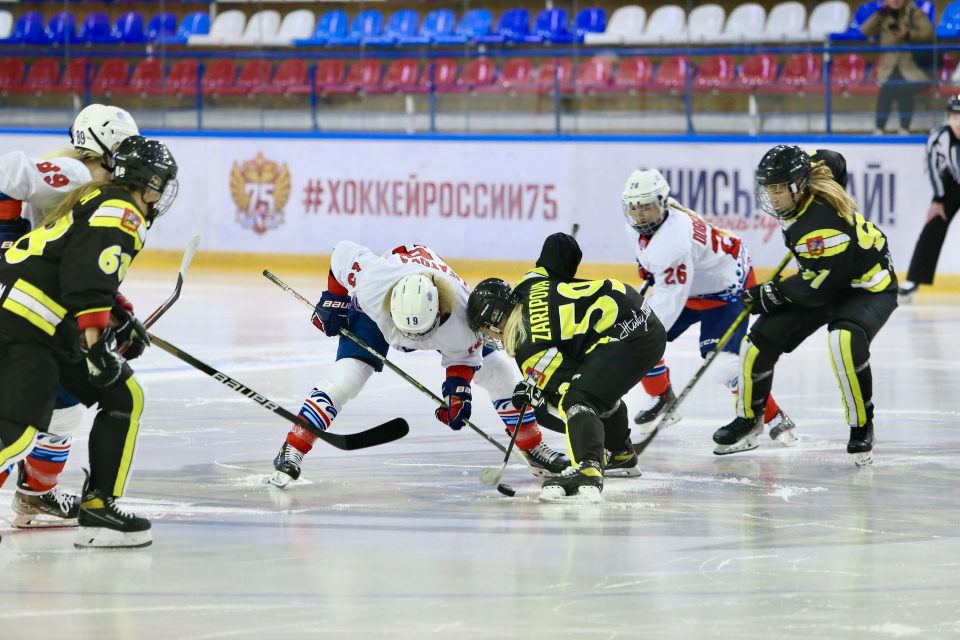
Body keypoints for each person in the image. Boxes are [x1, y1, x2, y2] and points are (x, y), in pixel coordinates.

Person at [269, 241, 570, 488]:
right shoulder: (375, 281)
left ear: (441, 309)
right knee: (346, 377)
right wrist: (333, 299)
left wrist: (457, 392)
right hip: (379, 316)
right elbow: (341, 254)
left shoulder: (462, 320)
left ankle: (532, 448)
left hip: (427, 316)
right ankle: (292, 447)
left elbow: (462, 359)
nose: (408, 340)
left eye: (419, 335)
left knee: (501, 373)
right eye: (406, 333)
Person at [0, 135, 179, 548]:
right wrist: (98, 346)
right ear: (148, 182)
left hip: (43, 324)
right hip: (23, 323)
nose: (159, 194)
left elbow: (72, 266)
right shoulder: (121, 209)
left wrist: (117, 317)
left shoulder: (100, 197)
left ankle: (99, 509)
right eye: (159, 184)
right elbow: (85, 282)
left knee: (123, 394)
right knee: (19, 430)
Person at [712, 145, 897, 467]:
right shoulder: (808, 177)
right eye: (768, 190)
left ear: (798, 186)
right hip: (827, 277)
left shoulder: (819, 226)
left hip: (868, 287)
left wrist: (770, 293)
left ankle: (861, 425)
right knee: (759, 340)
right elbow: (835, 160)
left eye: (779, 190)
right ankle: (749, 418)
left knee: (844, 339)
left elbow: (819, 290)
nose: (773, 198)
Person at [467, 233, 667, 502]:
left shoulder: (529, 347)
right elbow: (560, 246)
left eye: (487, 332)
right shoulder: (530, 282)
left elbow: (569, 397)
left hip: (631, 336)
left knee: (579, 397)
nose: (491, 338)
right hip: (638, 314)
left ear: (494, 322)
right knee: (595, 383)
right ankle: (619, 454)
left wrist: (539, 398)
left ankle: (588, 469)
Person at [623, 169, 796, 453]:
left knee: (721, 366)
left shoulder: (674, 241)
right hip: (691, 285)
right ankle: (662, 397)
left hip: (726, 290)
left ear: (663, 203)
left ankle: (771, 416)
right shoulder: (641, 227)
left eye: (648, 207)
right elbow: (651, 260)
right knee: (637, 341)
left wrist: (638, 328)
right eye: (635, 208)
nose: (641, 215)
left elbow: (668, 300)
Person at [898, 95, 960, 301]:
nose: (957, 122)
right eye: (954, 116)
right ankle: (914, 279)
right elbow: (933, 169)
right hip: (949, 188)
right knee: (933, 226)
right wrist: (938, 198)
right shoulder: (938, 137)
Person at [861, 0, 934, 135]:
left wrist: (908, 34)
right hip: (888, 67)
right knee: (887, 88)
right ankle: (879, 128)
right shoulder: (882, 15)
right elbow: (865, 31)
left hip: (912, 66)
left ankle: (904, 128)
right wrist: (879, 14)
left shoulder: (915, 13)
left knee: (903, 87)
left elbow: (928, 34)